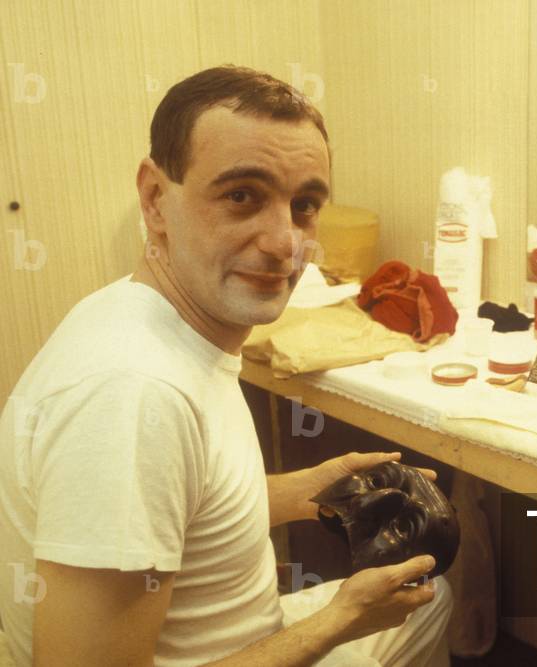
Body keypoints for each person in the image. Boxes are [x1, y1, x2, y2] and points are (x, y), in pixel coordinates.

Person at [0, 66, 451, 666]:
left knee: (434, 598)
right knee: (421, 602)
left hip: (248, 638)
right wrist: (340, 621)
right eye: (242, 196)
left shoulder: (146, 318)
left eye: (304, 205)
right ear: (155, 199)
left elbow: (183, 510)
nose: (285, 242)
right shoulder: (134, 395)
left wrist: (312, 490)